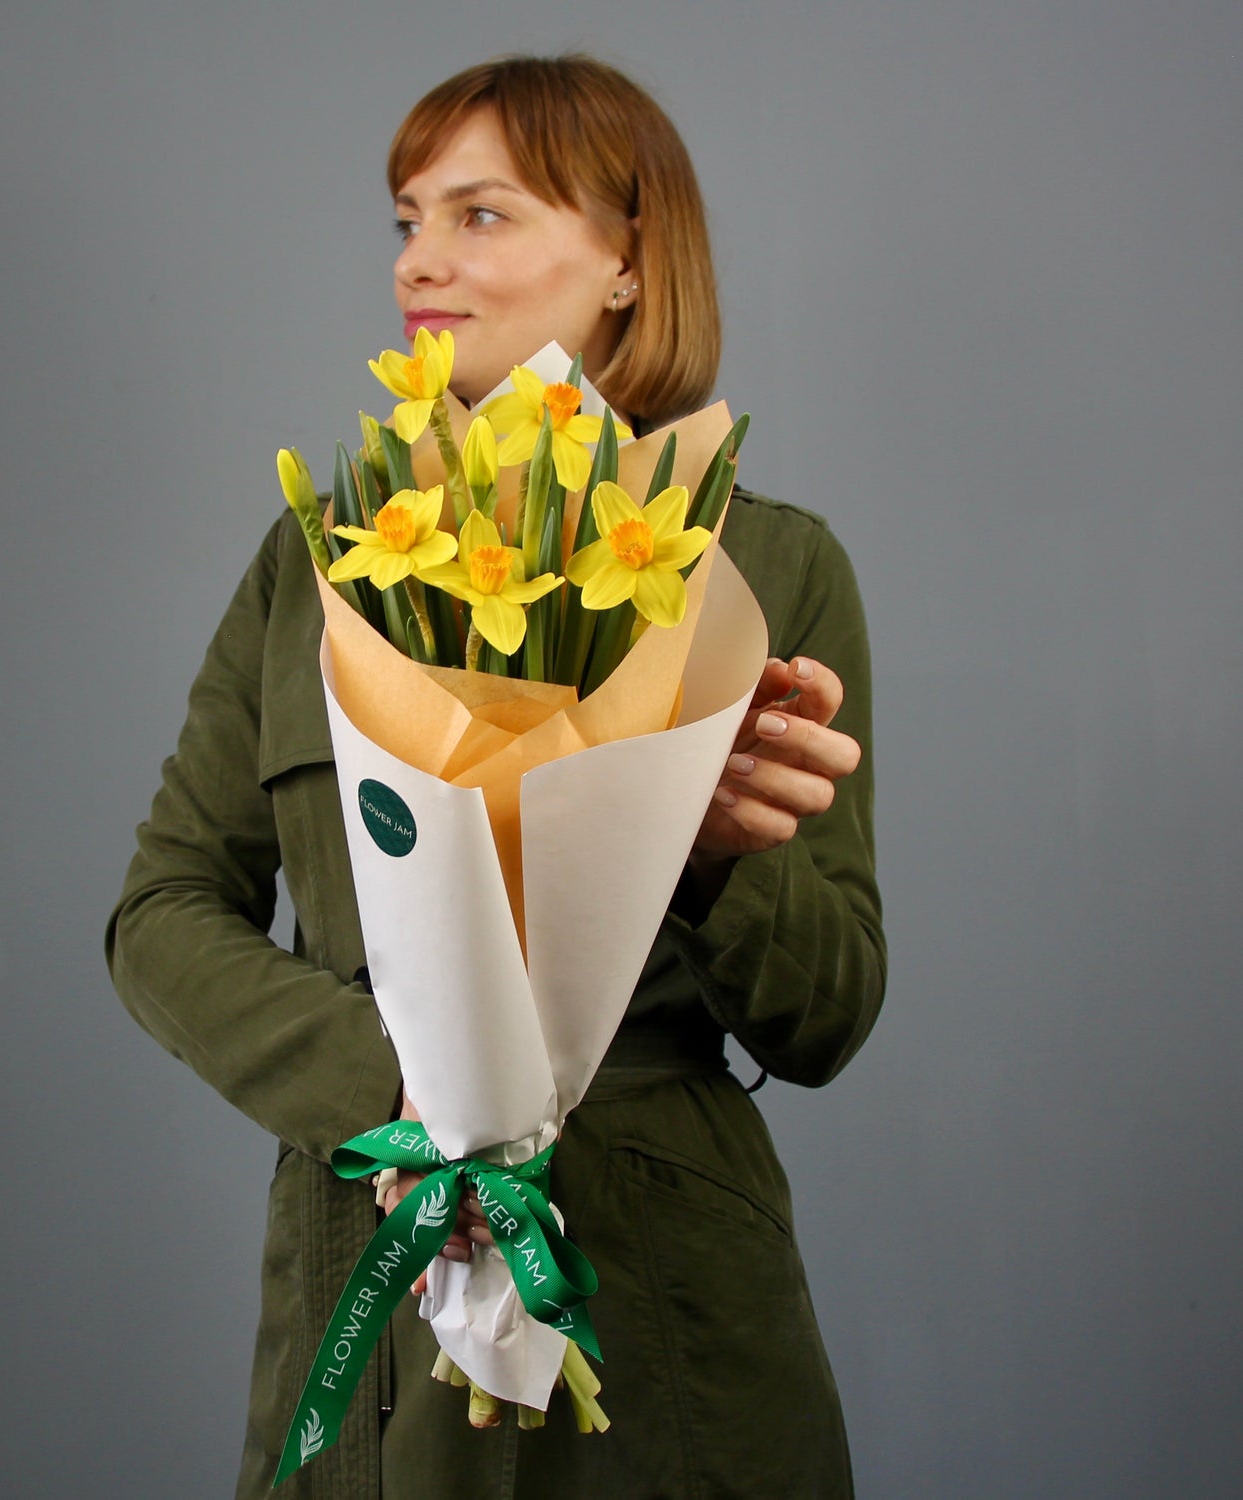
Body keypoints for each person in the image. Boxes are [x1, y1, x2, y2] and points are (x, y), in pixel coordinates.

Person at [107, 54, 885, 1500]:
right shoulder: (322, 562)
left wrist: (710, 856)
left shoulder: (765, 565)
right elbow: (158, 916)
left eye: (480, 215)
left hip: (664, 1295)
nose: (418, 263)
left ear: (631, 261)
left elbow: (829, 1015)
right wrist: (405, 1096)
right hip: (376, 1259)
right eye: (407, 221)